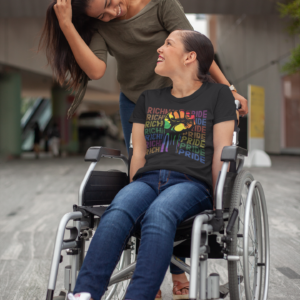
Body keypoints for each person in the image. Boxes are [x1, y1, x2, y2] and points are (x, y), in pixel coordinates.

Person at [40, 1, 247, 295]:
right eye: (101, 15)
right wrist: (66, 24)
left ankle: (146, 289)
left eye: (167, 42)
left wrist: (229, 90)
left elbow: (220, 152)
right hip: (149, 167)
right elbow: (137, 154)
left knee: (160, 212)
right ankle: (84, 292)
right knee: (120, 208)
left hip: (189, 181)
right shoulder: (147, 100)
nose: (110, 14)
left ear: (189, 56)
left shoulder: (215, 97)